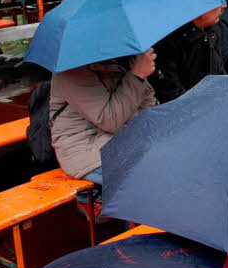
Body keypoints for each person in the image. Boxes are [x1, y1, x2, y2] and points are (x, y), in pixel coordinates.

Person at [50, 49, 158, 183]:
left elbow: (147, 103)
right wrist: (137, 75)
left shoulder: (123, 56)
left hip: (126, 138)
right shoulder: (71, 68)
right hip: (87, 148)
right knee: (155, 178)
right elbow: (109, 120)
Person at [149, 6, 225, 104]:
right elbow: (172, 96)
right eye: (215, 3)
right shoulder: (168, 44)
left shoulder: (211, 33)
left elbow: (220, 75)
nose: (224, 5)